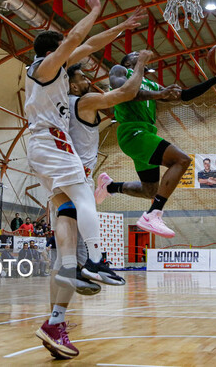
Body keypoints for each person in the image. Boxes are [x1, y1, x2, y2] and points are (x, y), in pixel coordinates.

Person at [25, 0, 139, 359]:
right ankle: (96, 260)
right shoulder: (44, 70)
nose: (72, 59)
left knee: (67, 216)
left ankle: (57, 316)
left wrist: (120, 26)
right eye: (62, 50)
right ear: (50, 51)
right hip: (52, 144)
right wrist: (95, 8)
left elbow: (86, 45)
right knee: (85, 197)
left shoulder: (56, 75)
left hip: (45, 149)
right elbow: (76, 39)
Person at [94, 50, 216, 238]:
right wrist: (157, 91)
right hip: (132, 131)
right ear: (127, 61)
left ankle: (110, 187)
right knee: (182, 160)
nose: (140, 53)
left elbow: (184, 95)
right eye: (135, 53)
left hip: (147, 132)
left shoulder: (151, 84)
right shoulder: (120, 71)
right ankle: (154, 213)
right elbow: (127, 93)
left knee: (149, 190)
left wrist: (215, 79)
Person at [64, 51, 152, 287]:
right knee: (83, 213)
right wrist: (141, 63)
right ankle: (94, 262)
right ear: (72, 85)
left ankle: (73, 269)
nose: (88, 81)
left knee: (69, 222)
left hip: (63, 169)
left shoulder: (66, 103)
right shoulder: (84, 100)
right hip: (77, 170)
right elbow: (125, 94)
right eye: (82, 78)